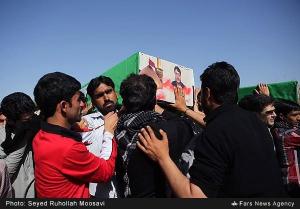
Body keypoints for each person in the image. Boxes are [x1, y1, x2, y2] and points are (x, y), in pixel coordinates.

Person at [137, 61, 285, 197]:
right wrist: (185, 110)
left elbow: (195, 196)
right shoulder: (254, 120)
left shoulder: (216, 131)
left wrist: (162, 157)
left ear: (207, 93)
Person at [32, 72, 117, 198]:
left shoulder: (41, 135)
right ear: (64, 106)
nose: (82, 105)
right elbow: (104, 172)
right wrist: (109, 132)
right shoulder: (67, 147)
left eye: (109, 91)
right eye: (78, 100)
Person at [115, 74, 195, 197]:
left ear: (124, 102)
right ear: (154, 100)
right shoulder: (171, 129)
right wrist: (181, 109)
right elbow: (187, 125)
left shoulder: (114, 132)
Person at [77, 75, 119, 198]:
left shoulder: (128, 117)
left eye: (109, 91)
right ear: (93, 101)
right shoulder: (86, 123)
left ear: (115, 93)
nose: (106, 98)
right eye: (99, 95)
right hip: (100, 194)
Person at [0, 92, 39, 198]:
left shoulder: (36, 126)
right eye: (26, 120)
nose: (31, 121)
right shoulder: (2, 136)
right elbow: (5, 173)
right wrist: (24, 138)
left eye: (32, 116)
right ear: (12, 120)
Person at [272, 99, 300, 197]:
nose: (299, 118)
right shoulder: (286, 134)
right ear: (282, 116)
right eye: (294, 115)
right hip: (294, 183)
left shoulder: (280, 130)